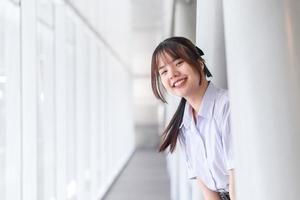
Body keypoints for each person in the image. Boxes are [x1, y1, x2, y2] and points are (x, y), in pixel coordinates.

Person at [151, 36, 235, 200]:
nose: (173, 74)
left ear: (199, 63)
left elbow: (237, 178)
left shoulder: (227, 106)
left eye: (179, 63)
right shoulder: (184, 126)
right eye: (164, 71)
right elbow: (207, 190)